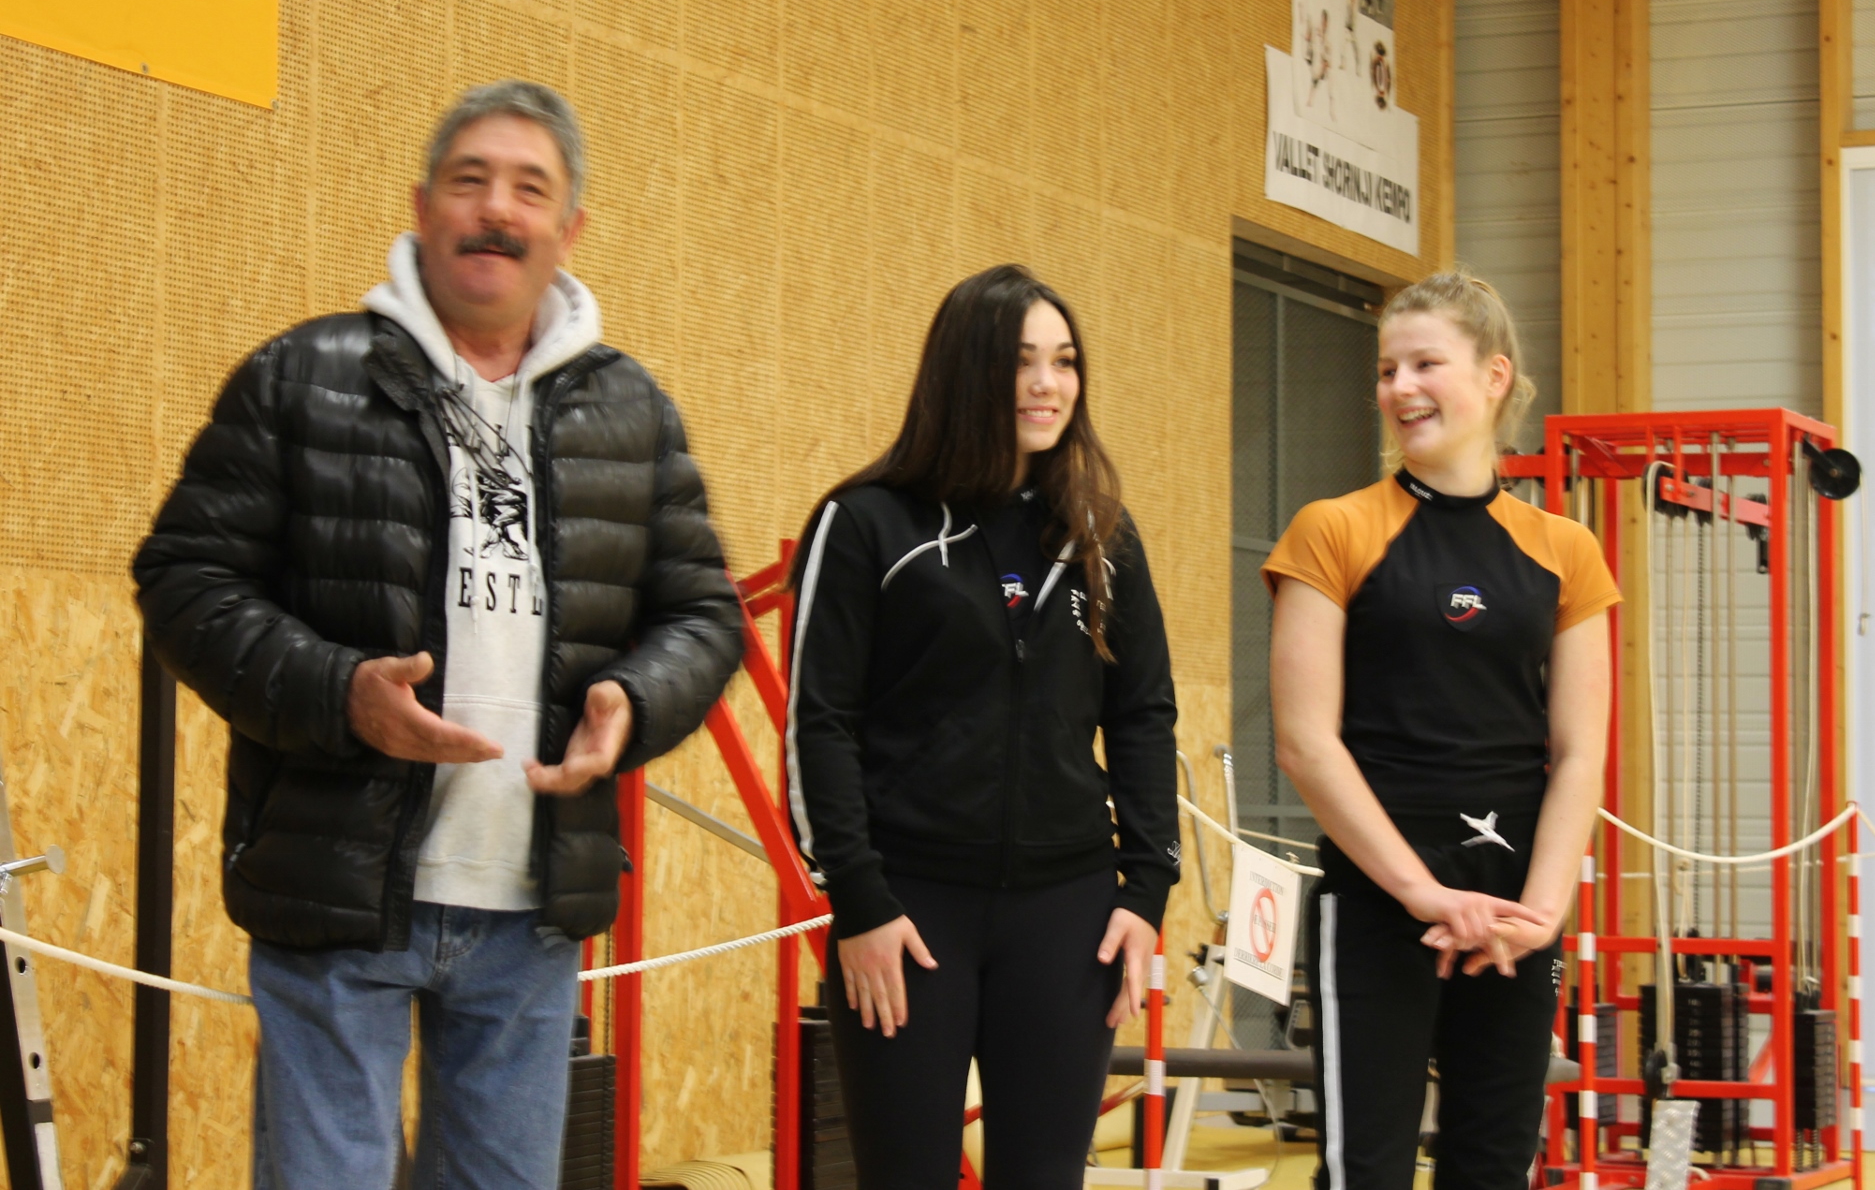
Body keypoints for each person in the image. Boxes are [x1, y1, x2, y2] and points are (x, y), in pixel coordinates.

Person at [131, 80, 743, 1190]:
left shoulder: (634, 413)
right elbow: (182, 578)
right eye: (470, 182)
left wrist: (634, 700)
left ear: (571, 229)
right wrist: (338, 692)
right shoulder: (301, 377)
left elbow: (701, 612)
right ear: (421, 207)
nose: (495, 211)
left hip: (533, 910)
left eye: (528, 189)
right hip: (339, 889)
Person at [786, 264, 1180, 1188]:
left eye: (1065, 361)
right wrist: (860, 899)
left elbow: (1144, 712)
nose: (1048, 384)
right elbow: (820, 721)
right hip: (909, 916)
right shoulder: (865, 523)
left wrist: (1148, 886)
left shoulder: (1101, 535)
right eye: (1021, 362)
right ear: (965, 372)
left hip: (1066, 916)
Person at [1263, 271, 1617, 1190]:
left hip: (1512, 917)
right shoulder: (1333, 530)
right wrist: (1421, 891)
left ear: (1495, 376)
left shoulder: (1565, 549)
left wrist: (1539, 913)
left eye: (1426, 363)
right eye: (1387, 368)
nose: (1400, 387)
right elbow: (1305, 742)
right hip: (1381, 909)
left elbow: (1581, 751)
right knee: (1364, 1170)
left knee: (1493, 1166)